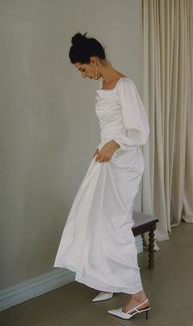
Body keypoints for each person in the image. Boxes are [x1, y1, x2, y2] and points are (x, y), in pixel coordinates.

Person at [53, 32, 151, 320]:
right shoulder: (103, 83)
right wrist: (104, 147)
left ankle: (139, 296)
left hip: (123, 163)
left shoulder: (125, 85)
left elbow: (139, 129)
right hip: (106, 159)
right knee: (93, 218)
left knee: (116, 224)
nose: (82, 75)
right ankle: (108, 281)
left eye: (83, 69)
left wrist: (113, 144)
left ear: (93, 60)